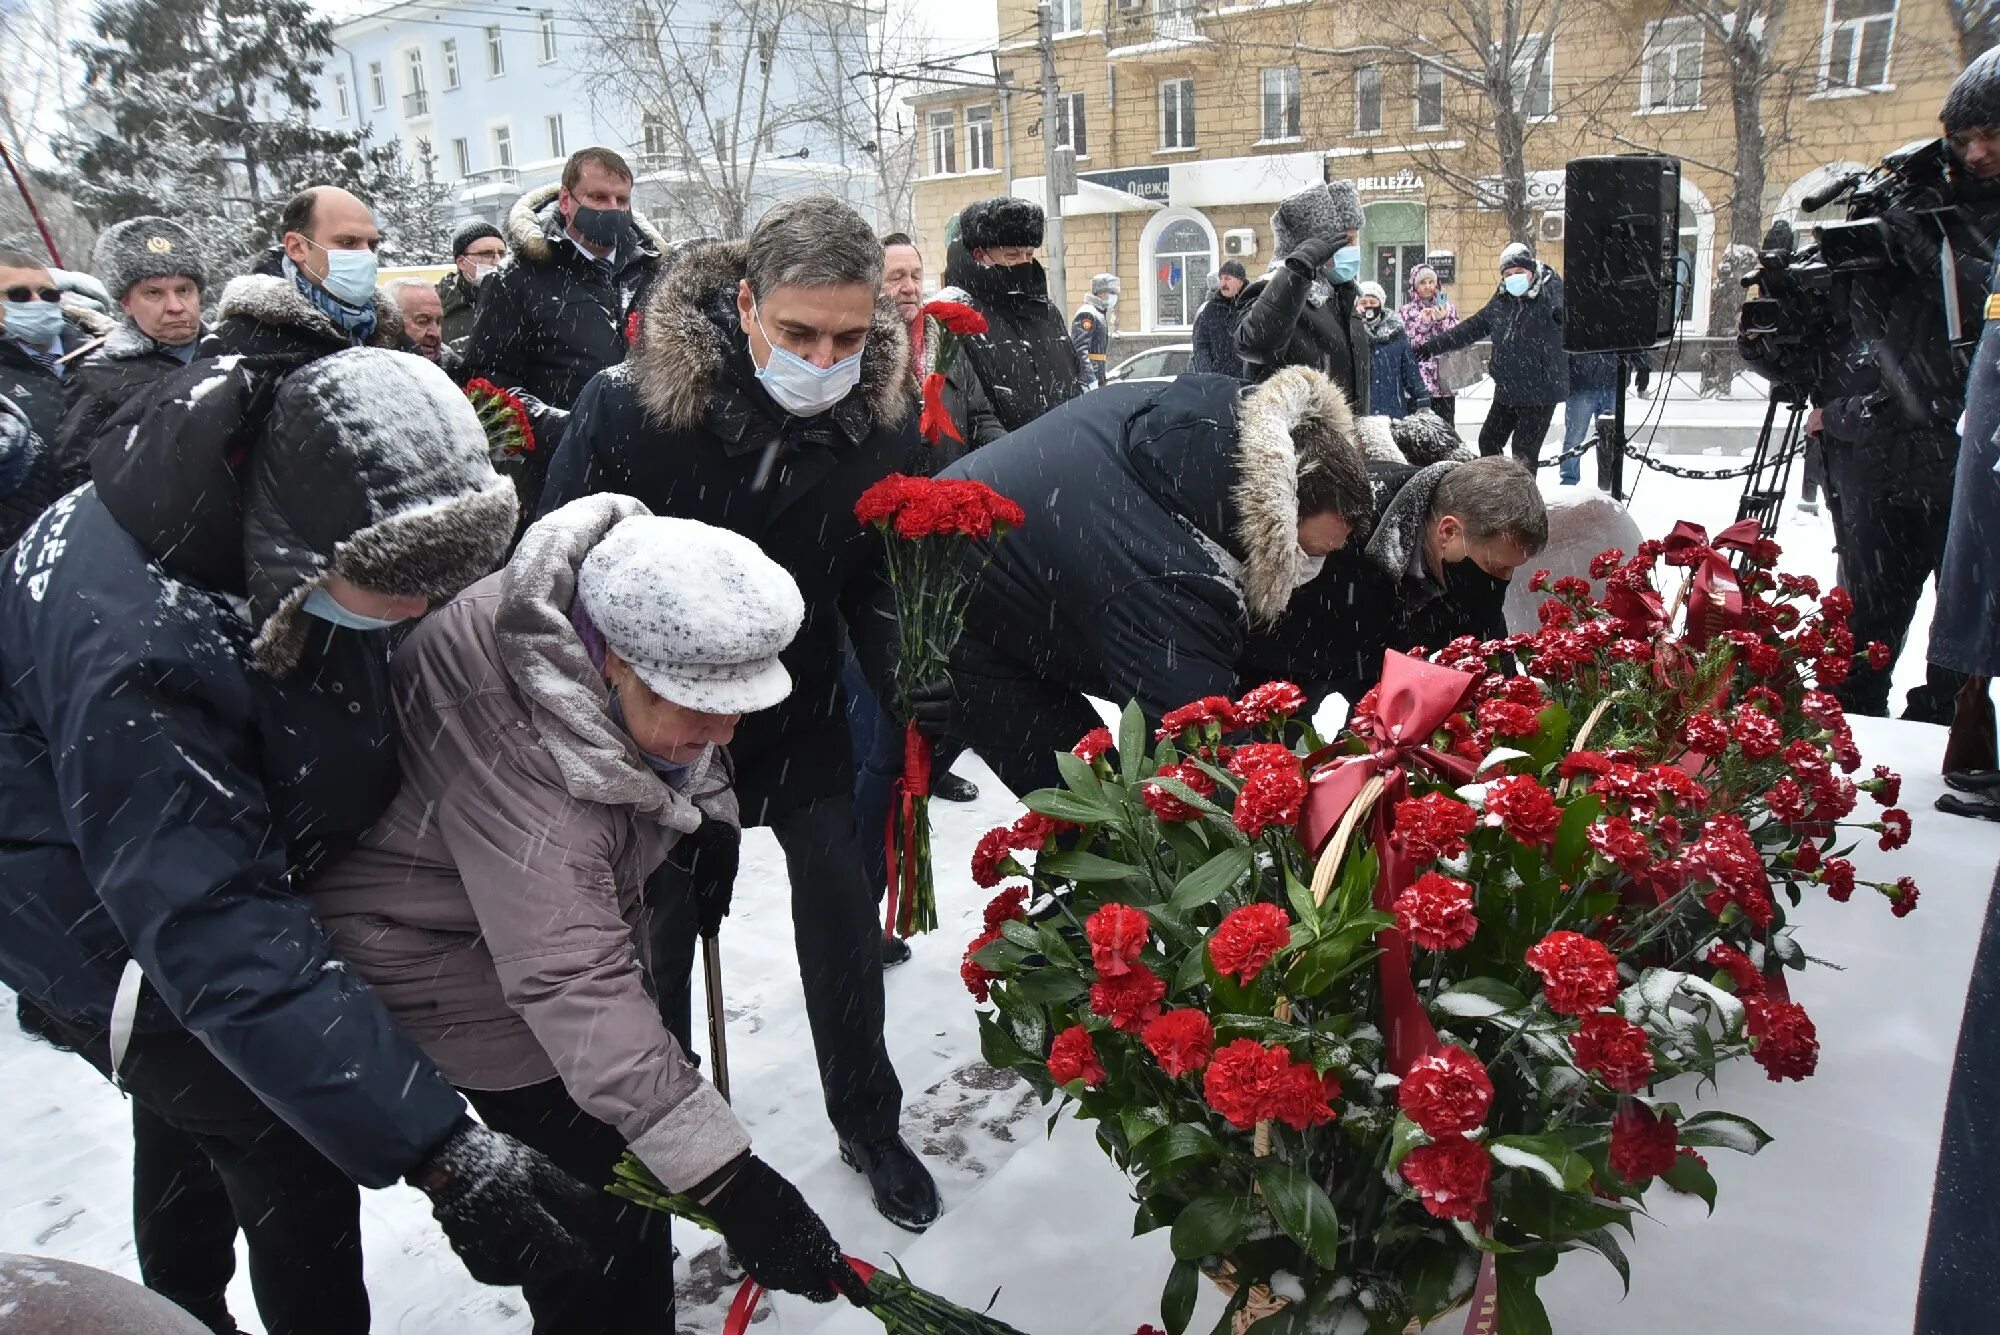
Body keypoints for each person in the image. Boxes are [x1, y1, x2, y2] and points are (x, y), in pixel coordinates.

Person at [0, 347, 601, 1335]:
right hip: (100, 923)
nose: (420, 612)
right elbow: (214, 922)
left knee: (198, 1111)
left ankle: (179, 1299)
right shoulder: (149, 653)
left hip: (165, 866)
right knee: (284, 1155)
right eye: (397, 590)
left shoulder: (252, 465)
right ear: (297, 550)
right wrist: (440, 1152)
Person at [311, 496, 866, 1328]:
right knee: (599, 1226)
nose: (721, 732)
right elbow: (573, 975)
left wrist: (706, 815)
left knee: (632, 1183)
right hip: (442, 953)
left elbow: (672, 746)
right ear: (608, 662)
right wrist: (733, 1182)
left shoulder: (598, 614)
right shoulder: (517, 748)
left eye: (737, 708)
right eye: (693, 706)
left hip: (517, 916)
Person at [535, 194, 939, 1232]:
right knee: (660, 931)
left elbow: (874, 574)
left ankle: (867, 1117)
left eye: (849, 336)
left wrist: (909, 671)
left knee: (842, 914)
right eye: (798, 332)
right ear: (746, 305)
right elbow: (553, 574)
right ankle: (660, 1140)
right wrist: (615, 715)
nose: (823, 355)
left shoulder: (882, 416)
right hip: (658, 723)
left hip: (797, 711)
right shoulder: (630, 407)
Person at [914, 366, 1375, 796]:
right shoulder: (1169, 576)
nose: (1309, 572)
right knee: (1091, 809)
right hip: (945, 609)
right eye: (1307, 554)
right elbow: (1197, 741)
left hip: (1024, 558)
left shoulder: (1225, 437)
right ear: (1273, 522)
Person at [1808, 58, 2000, 726]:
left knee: (1963, 628)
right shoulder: (1914, 202)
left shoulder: (1961, 231)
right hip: (1885, 449)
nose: (1975, 152)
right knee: (1863, 626)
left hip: (1973, 454)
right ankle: (1851, 731)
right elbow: (1852, 324)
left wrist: (1943, 257)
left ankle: (1946, 729)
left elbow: (1988, 314)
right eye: (1963, 135)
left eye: (1992, 134)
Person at [1243, 455, 1549, 707]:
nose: (1502, 581)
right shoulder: (1339, 530)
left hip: (1376, 670)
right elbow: (1269, 653)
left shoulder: (1471, 564)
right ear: (1448, 532)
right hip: (1294, 662)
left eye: (1512, 570)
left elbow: (1490, 657)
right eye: (1495, 566)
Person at [53, 217, 211, 489]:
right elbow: (80, 478)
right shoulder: (96, 375)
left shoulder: (234, 350)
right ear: (126, 303)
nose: (175, 306)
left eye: (184, 290)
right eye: (153, 293)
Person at [202, 187, 405, 362]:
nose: (366, 256)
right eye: (348, 242)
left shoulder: (390, 333)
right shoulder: (242, 342)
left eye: (372, 245)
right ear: (296, 247)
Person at [935, 197, 1082, 432]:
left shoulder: (1046, 312)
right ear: (979, 255)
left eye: (1029, 255)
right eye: (1012, 256)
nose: (1024, 264)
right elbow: (962, 414)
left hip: (1062, 453)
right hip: (999, 462)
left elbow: (1075, 381)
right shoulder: (953, 317)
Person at [1413, 244, 1566, 468]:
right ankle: (1496, 489)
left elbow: (1571, 316)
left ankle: (1521, 501)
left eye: (1519, 273)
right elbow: (1470, 329)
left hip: (1540, 392)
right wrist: (1429, 347)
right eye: (1508, 274)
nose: (1513, 278)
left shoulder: (1550, 294)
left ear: (1531, 272)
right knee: (1488, 441)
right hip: (1508, 389)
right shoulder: (1501, 301)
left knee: (1523, 454)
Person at [0, 249, 112, 547]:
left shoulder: (107, 355)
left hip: (115, 537)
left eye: (48, 294)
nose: (38, 303)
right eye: (19, 295)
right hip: (24, 550)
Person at [1234, 180, 1370, 412]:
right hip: (1296, 441)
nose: (1352, 248)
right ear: (1315, 244)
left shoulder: (1343, 297)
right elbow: (1254, 345)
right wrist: (1297, 271)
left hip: (1341, 442)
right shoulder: (1274, 289)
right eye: (1345, 241)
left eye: (1355, 239)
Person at [882, 230, 1001, 459]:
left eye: (915, 276)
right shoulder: (861, 351)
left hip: (952, 486)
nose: (910, 287)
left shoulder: (948, 343)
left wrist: (1007, 452)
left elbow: (980, 419)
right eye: (896, 277)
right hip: (896, 492)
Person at [1562, 350, 1649, 486]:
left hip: (1612, 380)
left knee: (1612, 438)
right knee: (1575, 438)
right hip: (1582, 381)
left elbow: (1633, 334)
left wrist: (1644, 366)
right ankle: (1569, 484)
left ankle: (1610, 484)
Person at [1399, 264, 1462, 426]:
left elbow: (1456, 339)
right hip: (1418, 383)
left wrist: (1443, 320)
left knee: (1445, 431)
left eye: (1431, 282)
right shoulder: (1405, 312)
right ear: (1414, 286)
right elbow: (1407, 344)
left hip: (1444, 382)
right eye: (1422, 283)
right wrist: (1423, 323)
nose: (1427, 286)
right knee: (1417, 431)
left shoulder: (1448, 309)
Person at [1357, 280, 1429, 419]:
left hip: (1392, 412)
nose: (1368, 307)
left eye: (1373, 302)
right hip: (1361, 413)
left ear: (1381, 304)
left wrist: (1422, 397)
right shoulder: (1352, 333)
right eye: (1364, 303)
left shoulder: (1396, 335)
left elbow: (1410, 371)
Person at [438, 219, 506, 347]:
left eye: (502, 254)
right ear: (461, 262)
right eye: (487, 254)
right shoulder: (439, 307)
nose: (498, 261)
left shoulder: (517, 298)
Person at [385, 276, 460, 377]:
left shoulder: (458, 373)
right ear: (391, 323)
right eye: (423, 321)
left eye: (438, 322)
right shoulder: (371, 373)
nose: (435, 333)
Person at [1189, 259, 1249, 378]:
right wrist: (1208, 373)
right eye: (1221, 278)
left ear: (1240, 281)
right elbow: (1200, 344)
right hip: (1217, 383)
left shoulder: (1251, 305)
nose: (1222, 283)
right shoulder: (1210, 310)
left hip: (1246, 382)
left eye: (1227, 278)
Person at [1072, 272, 1118, 387]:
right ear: (1101, 293)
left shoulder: (1099, 313)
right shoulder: (1087, 313)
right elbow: (1080, 350)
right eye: (1111, 292)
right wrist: (1090, 380)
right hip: (1090, 380)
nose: (1114, 296)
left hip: (1098, 376)